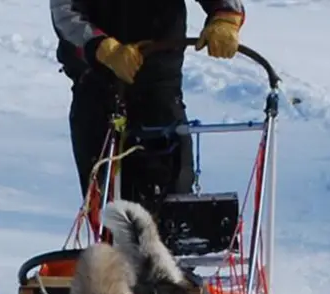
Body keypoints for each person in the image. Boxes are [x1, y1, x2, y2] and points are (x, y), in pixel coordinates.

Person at [50, 0, 248, 209]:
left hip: (159, 85)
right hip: (97, 84)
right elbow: (64, 12)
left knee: (173, 201)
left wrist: (224, 16)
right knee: (108, 210)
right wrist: (99, 46)